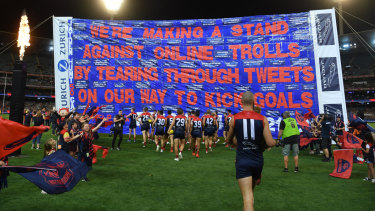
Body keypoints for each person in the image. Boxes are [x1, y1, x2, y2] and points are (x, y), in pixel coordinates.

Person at [227, 91, 276, 211]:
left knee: (247, 197)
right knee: (251, 192)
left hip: (243, 160)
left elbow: (229, 140)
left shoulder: (235, 118)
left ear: (241, 102)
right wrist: (276, 142)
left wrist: (239, 143)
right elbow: (270, 143)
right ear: (254, 103)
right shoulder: (262, 119)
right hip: (258, 161)